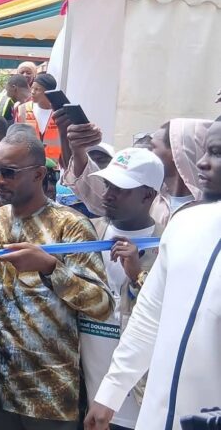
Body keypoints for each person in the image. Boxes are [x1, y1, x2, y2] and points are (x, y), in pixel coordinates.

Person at [0, 131, 113, 429]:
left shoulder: (71, 225)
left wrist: (50, 268)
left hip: (51, 392)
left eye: (9, 173)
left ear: (38, 174)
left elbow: (101, 305)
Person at [84, 119, 221, 429]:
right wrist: (111, 393)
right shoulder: (185, 225)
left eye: (217, 153)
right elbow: (149, 317)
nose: (202, 162)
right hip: (157, 416)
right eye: (205, 151)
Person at [75, 148, 165, 430]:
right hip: (82, 394)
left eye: (121, 189)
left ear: (148, 196)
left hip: (136, 404)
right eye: (108, 185)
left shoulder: (169, 246)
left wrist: (139, 275)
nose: (108, 195)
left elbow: (168, 318)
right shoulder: (84, 233)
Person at [61, 117, 212, 227]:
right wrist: (78, 149)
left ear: (177, 153)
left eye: (153, 147)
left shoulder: (208, 210)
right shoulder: (152, 196)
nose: (146, 152)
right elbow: (96, 193)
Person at [14, 73, 60, 161]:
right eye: (32, 88)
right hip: (28, 162)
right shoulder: (22, 109)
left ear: (48, 92)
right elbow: (16, 137)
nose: (32, 92)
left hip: (55, 165)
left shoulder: (59, 112)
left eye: (37, 89)